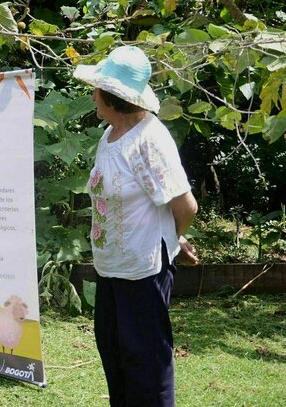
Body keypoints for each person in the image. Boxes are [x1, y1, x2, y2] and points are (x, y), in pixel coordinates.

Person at [73, 45, 199, 406]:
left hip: (144, 271)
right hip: (112, 267)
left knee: (147, 363)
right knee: (114, 354)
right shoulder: (110, 134)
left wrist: (173, 239)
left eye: (97, 88)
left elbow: (185, 205)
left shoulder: (150, 141)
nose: (93, 94)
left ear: (111, 96)